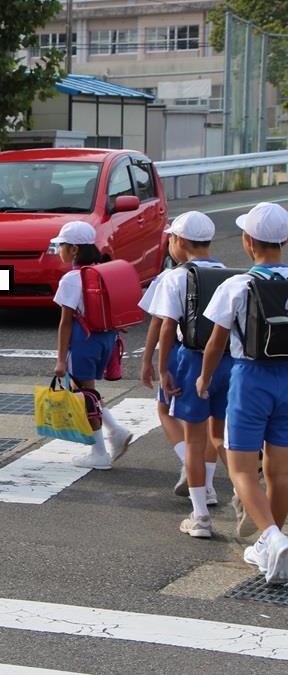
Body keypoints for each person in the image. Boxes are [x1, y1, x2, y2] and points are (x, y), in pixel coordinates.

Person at [198, 202, 288, 585]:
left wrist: (204, 380)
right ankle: (274, 539)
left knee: (240, 468)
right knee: (280, 470)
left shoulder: (236, 285)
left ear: (248, 241)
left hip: (249, 379)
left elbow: (216, 343)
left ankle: (270, 537)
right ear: (284, 241)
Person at [150, 211, 229, 538]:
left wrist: (162, 367)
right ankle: (219, 490)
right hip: (227, 362)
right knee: (218, 434)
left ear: (179, 241)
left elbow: (168, 326)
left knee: (193, 441)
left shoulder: (176, 276)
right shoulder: (230, 274)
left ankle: (200, 517)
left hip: (191, 360)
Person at [50, 220, 132, 470]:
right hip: (106, 339)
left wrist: (61, 359)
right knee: (88, 391)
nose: (58, 251)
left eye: (61, 246)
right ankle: (114, 431)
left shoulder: (71, 279)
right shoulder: (104, 271)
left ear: (74, 249)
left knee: (84, 396)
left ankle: (100, 452)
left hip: (83, 341)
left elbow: (65, 322)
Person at [138, 244, 191, 501]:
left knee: (164, 408)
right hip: (216, 357)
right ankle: (209, 484)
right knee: (210, 423)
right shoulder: (224, 272)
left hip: (182, 354)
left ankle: (189, 466)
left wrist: (151, 361)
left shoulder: (170, 277)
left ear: (179, 242)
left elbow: (160, 323)